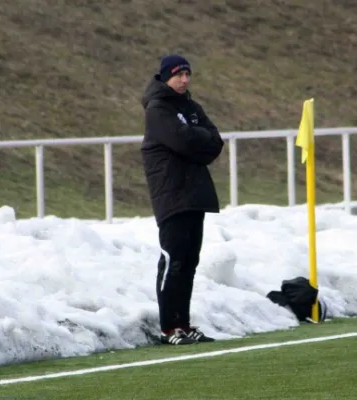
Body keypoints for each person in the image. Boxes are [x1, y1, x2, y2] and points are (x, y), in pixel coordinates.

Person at [141, 54, 224, 345]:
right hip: (171, 195)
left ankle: (183, 323)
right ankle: (168, 328)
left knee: (190, 262)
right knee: (173, 260)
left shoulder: (191, 107)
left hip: (195, 194)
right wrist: (194, 138)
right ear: (165, 77)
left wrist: (194, 136)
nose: (184, 80)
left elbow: (215, 143)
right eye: (178, 75)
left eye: (188, 75)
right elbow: (182, 141)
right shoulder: (158, 109)